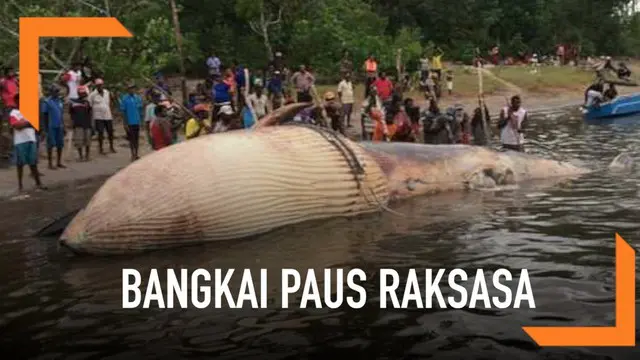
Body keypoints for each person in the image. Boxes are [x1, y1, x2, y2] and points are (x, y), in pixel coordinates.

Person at [9, 94, 46, 191]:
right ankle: (20, 185)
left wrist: (25, 123)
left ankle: (38, 183)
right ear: (16, 101)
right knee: (20, 164)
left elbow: (33, 124)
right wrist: (29, 123)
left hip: (31, 139)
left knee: (33, 162)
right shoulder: (14, 112)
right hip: (20, 141)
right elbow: (16, 126)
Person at [87, 78, 116, 154]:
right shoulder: (92, 95)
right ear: (96, 86)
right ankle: (100, 148)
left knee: (110, 132)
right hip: (98, 116)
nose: (100, 87)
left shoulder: (107, 92)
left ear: (103, 85)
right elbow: (89, 106)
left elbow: (111, 101)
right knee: (100, 132)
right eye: (98, 85)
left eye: (101, 85)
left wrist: (111, 109)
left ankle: (111, 147)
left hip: (107, 115)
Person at [41, 85, 66, 169]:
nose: (57, 93)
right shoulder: (47, 102)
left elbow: (61, 114)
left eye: (57, 91)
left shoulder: (59, 101)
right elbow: (44, 116)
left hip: (59, 125)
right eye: (55, 91)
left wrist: (64, 125)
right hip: (51, 126)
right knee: (50, 145)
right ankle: (50, 163)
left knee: (60, 145)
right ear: (51, 92)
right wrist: (45, 129)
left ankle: (58, 162)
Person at [119, 83, 143, 161]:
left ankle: (136, 153)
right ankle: (132, 154)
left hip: (137, 121)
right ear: (128, 90)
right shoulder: (125, 99)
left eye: (133, 88)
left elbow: (140, 110)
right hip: (129, 122)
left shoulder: (138, 98)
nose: (132, 90)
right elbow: (123, 112)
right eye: (130, 88)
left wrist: (141, 121)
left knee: (136, 138)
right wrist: (125, 123)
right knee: (131, 139)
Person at [69, 86, 92, 161]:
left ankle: (87, 156)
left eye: (83, 93)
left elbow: (90, 113)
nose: (82, 95)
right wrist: (72, 123)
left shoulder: (87, 102)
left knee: (88, 141)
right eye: (81, 93)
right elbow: (71, 114)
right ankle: (81, 156)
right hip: (78, 124)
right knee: (79, 141)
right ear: (78, 94)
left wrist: (91, 124)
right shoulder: (73, 103)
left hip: (87, 124)